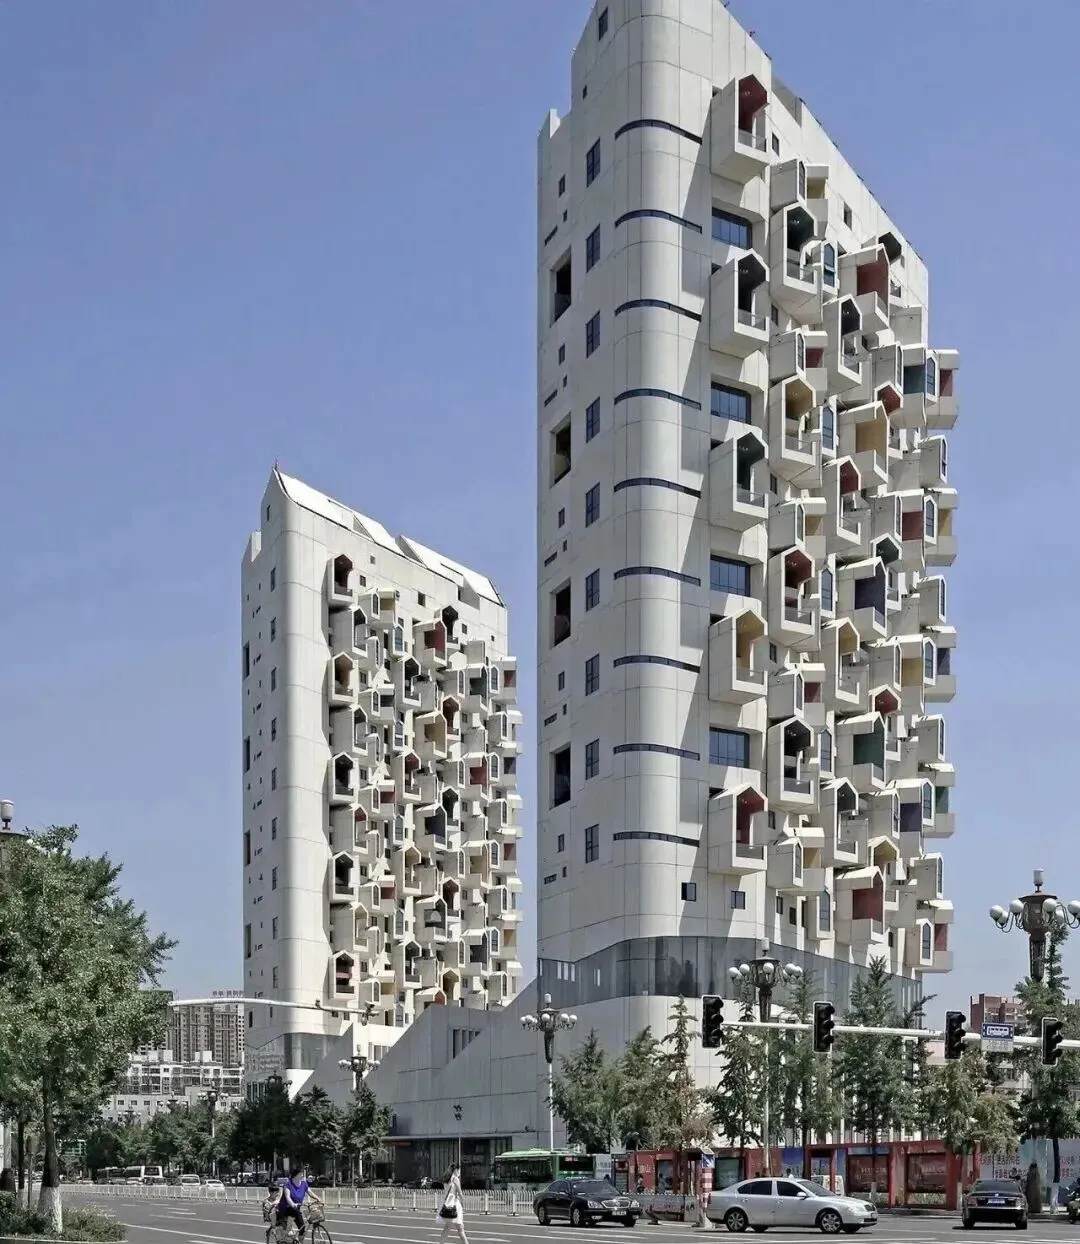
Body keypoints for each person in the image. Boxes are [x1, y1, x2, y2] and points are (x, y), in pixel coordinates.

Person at [275, 1166, 322, 1241]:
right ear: (296, 1174)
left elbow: (310, 1192)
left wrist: (317, 1198)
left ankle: (300, 1241)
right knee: (288, 1232)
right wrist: (292, 1204)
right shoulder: (288, 1184)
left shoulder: (303, 1184)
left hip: (296, 1209)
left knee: (302, 1228)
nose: (302, 1175)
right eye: (301, 1173)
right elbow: (287, 1197)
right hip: (286, 1209)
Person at [437, 1163, 469, 1244]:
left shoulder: (446, 1179)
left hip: (447, 1203)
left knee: (448, 1227)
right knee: (460, 1228)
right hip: (455, 1205)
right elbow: (460, 1193)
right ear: (456, 1170)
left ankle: (441, 1243)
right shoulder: (455, 1179)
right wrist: (463, 1200)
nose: (459, 1172)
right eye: (459, 1170)